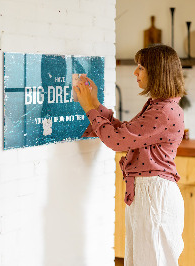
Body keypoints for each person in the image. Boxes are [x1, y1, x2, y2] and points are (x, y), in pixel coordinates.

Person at [74, 44, 186, 266]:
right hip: (149, 193)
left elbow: (117, 141)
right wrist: (95, 104)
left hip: (154, 195)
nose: (135, 72)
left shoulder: (163, 111)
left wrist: (89, 108)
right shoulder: (159, 106)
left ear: (157, 72)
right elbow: (125, 133)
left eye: (141, 67)